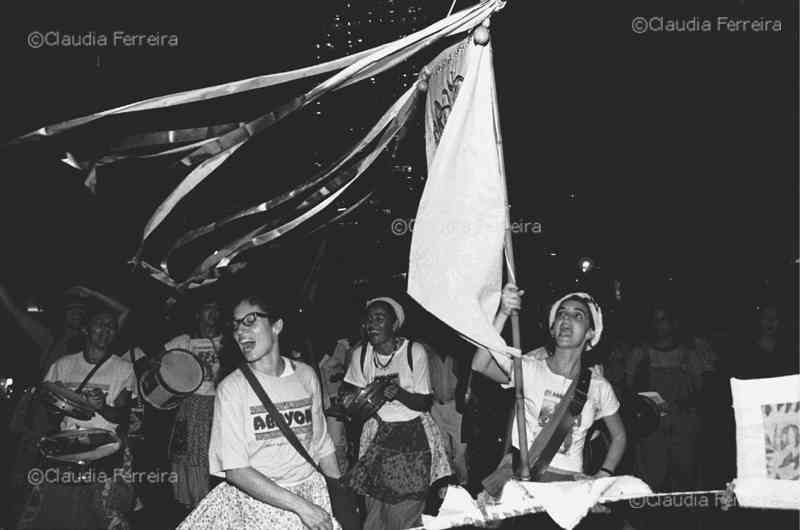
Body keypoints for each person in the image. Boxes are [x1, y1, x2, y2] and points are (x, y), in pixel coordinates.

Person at [176, 292, 341, 530]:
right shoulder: (232, 388)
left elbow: (321, 442)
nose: (240, 332)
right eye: (235, 326)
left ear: (276, 325)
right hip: (259, 505)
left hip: (310, 494)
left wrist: (340, 494)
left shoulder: (305, 375)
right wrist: (301, 508)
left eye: (250, 321)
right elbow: (236, 470)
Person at [471, 285, 627, 482]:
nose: (566, 319)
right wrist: (503, 314)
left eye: (577, 315)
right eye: (561, 313)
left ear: (590, 333)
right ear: (553, 330)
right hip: (525, 478)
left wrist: (604, 474)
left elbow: (619, 436)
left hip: (569, 484)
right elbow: (480, 365)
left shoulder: (598, 386)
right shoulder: (529, 368)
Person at [17, 307, 136, 529]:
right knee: (59, 513)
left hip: (106, 450)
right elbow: (52, 411)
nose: (106, 330)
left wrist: (100, 407)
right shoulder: (62, 365)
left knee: (101, 515)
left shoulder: (123, 368)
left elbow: (121, 415)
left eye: (111, 326)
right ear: (86, 329)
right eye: (100, 324)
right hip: (67, 446)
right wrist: (60, 404)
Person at [342, 296, 452, 530]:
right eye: (368, 319)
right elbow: (352, 394)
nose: (371, 324)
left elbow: (423, 402)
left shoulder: (414, 352)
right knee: (374, 514)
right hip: (376, 437)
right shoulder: (360, 354)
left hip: (412, 438)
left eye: (379, 318)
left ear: (394, 325)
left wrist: (399, 393)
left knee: (404, 516)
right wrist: (350, 402)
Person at [625, 302, 704, 492]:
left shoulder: (688, 355)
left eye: (664, 320)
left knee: (685, 481)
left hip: (682, 428)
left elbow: (700, 391)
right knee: (651, 482)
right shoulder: (640, 354)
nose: (660, 325)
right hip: (651, 429)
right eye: (656, 321)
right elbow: (629, 392)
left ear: (674, 323)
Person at [166, 294, 224, 509]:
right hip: (192, 404)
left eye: (217, 309)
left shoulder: (227, 341)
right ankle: (196, 506)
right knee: (190, 455)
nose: (213, 313)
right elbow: (157, 361)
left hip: (221, 405)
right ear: (198, 314)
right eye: (208, 308)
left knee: (218, 457)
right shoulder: (185, 341)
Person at [0, 284, 130, 377]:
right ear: (63, 315)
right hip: (43, 402)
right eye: (72, 310)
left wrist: (93, 293)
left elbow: (124, 312)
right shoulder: (49, 339)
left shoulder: (93, 339)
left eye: (80, 312)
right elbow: (16, 312)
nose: (76, 314)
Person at [427, 341, 468, 485]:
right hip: (436, 406)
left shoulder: (457, 357)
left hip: (455, 407)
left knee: (460, 450)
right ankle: (448, 484)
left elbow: (466, 378)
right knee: (443, 448)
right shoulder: (429, 356)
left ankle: (463, 483)